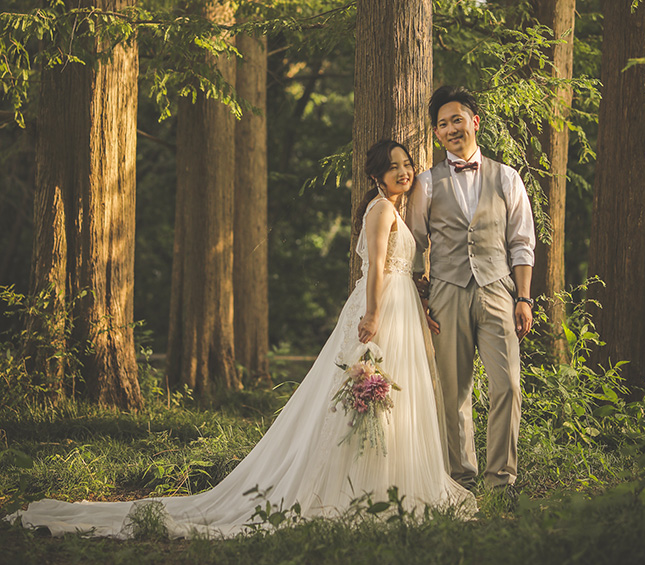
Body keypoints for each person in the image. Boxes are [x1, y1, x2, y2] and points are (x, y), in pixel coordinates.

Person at [9, 139, 475, 538]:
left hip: (399, 306)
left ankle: (389, 480)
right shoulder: (379, 210)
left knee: (395, 399)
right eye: (392, 166)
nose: (403, 171)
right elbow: (375, 266)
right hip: (380, 309)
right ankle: (354, 486)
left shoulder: (395, 210)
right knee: (364, 395)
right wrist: (372, 314)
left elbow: (396, 267)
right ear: (376, 177)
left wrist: (415, 295)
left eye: (406, 164)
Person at [406, 86, 535, 491]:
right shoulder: (426, 183)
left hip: (498, 289)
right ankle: (461, 480)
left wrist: (524, 297)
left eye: (457, 120)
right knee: (453, 391)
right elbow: (414, 243)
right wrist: (421, 296)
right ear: (436, 134)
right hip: (446, 292)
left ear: (474, 122)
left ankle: (501, 480)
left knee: (508, 385)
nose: (450, 129)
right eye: (442, 124)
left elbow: (522, 242)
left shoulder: (507, 177)